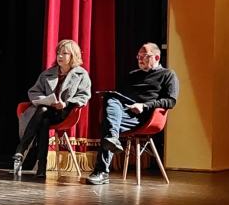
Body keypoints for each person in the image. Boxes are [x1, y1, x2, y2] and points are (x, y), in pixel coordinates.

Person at [85, 42, 179, 185]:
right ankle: (111, 140)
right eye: (138, 56)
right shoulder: (132, 75)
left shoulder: (168, 75)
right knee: (111, 98)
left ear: (157, 57)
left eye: (144, 56)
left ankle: (102, 171)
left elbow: (170, 101)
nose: (140, 59)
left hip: (145, 117)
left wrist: (144, 105)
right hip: (124, 113)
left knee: (109, 125)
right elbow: (119, 98)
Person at [13, 39, 91, 178]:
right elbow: (34, 91)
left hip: (65, 113)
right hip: (46, 111)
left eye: (64, 53)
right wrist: (44, 100)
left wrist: (66, 104)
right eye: (58, 53)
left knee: (43, 115)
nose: (60, 56)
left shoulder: (81, 74)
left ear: (73, 55)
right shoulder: (48, 73)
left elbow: (84, 96)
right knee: (44, 119)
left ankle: (22, 148)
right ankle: (41, 168)